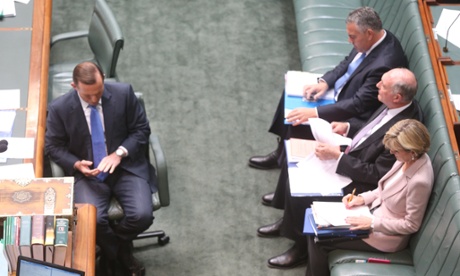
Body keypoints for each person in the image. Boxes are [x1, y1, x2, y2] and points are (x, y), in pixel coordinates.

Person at [257, 68, 423, 269]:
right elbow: (372, 128)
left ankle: (299, 249)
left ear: (397, 96)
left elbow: (377, 174)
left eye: (383, 85)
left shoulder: (403, 132)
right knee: (297, 170)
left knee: (304, 191)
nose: (377, 85)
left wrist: (338, 158)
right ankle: (287, 224)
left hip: (360, 183)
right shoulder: (393, 105)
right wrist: (348, 127)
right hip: (352, 154)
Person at [249, 6, 407, 170]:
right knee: (292, 92)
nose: (349, 41)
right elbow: (348, 62)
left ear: (368, 33)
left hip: (351, 113)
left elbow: (358, 104)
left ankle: (285, 168)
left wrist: (314, 112)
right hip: (341, 92)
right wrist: (325, 82)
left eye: (352, 37)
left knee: (299, 117)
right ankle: (280, 153)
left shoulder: (385, 63)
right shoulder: (372, 38)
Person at [45, 61, 155, 276]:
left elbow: (142, 130)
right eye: (88, 96)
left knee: (142, 215)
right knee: (92, 221)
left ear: (103, 78)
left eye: (99, 92)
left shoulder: (123, 93)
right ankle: (121, 253)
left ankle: (110, 250)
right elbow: (53, 146)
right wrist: (76, 164)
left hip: (125, 168)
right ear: (74, 86)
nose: (95, 100)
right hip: (88, 176)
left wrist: (119, 153)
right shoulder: (59, 108)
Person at [305, 119, 433, 276]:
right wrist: (362, 198)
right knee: (314, 226)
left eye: (395, 151)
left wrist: (372, 222)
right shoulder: (406, 158)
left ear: (412, 151)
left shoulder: (420, 181)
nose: (392, 153)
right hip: (371, 213)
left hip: (385, 235)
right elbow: (383, 189)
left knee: (318, 241)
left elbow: (411, 224)